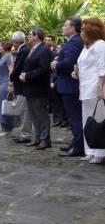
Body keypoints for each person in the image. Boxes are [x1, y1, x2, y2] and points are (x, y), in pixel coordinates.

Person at [72, 18, 105, 164]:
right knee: (87, 120)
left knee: (98, 119)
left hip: (95, 87)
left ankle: (100, 152)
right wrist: (76, 73)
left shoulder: (100, 45)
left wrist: (100, 87)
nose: (81, 32)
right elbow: (84, 66)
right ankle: (90, 150)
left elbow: (102, 67)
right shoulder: (86, 48)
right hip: (84, 88)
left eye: (83, 29)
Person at [51, 17, 84, 157]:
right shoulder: (73, 41)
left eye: (65, 25)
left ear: (73, 27)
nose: (63, 28)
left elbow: (70, 62)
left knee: (75, 118)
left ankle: (78, 147)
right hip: (68, 85)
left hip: (70, 85)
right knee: (73, 117)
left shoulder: (75, 42)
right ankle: (75, 143)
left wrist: (55, 65)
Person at [19, 27, 52, 150]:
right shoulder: (32, 49)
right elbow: (29, 65)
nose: (28, 36)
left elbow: (44, 69)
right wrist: (23, 73)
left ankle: (45, 139)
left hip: (39, 89)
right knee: (33, 115)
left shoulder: (44, 50)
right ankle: (37, 138)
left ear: (37, 36)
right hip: (30, 88)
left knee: (41, 114)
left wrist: (27, 75)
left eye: (29, 34)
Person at [8, 31, 31, 144]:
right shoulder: (23, 50)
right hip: (21, 85)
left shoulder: (23, 51)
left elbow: (18, 67)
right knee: (22, 109)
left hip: (22, 85)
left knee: (23, 109)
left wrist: (11, 77)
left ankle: (25, 134)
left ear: (15, 42)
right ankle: (24, 133)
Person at [0, 39, 14, 136]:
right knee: (1, 105)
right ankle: (5, 128)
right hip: (1, 83)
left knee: (4, 106)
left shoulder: (9, 57)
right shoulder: (2, 57)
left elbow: (11, 71)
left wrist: (11, 84)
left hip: (6, 83)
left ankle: (6, 129)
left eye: (0, 46)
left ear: (5, 47)